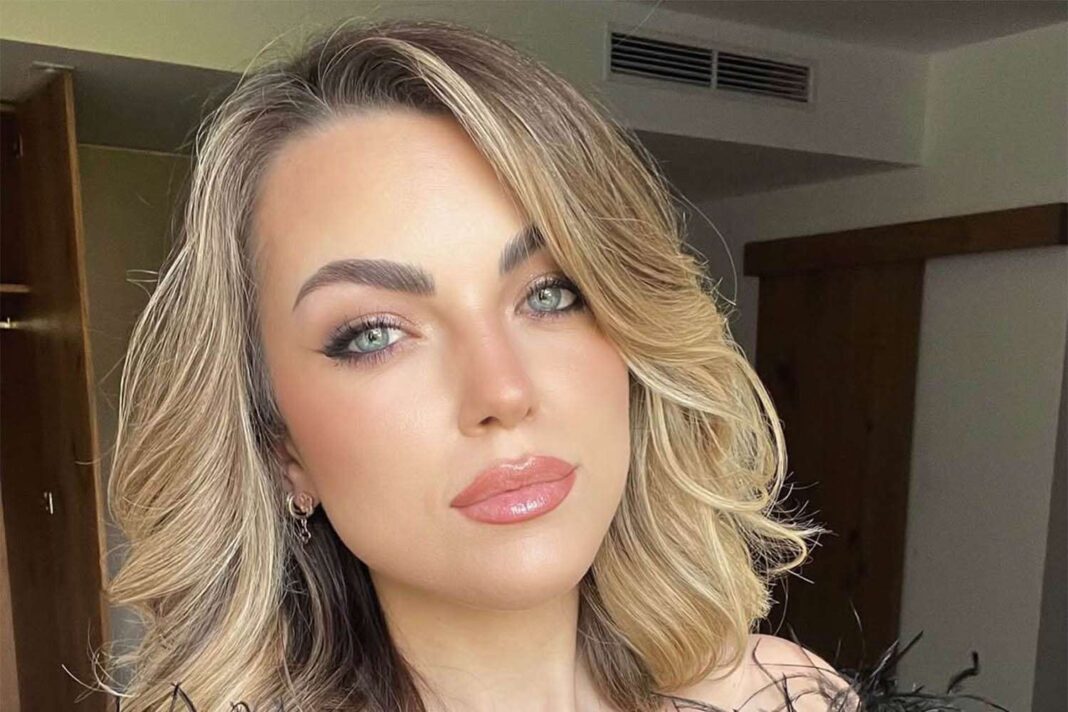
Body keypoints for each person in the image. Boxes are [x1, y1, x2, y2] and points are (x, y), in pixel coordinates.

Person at [95, 17, 859, 712]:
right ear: (281, 446)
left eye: (552, 294)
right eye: (373, 334)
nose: (503, 390)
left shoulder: (783, 697)